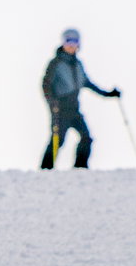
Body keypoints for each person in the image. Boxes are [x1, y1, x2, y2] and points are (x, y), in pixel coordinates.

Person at [40, 28, 119, 170]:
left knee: (86, 138)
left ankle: (80, 167)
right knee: (58, 140)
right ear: (63, 43)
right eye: (68, 41)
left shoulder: (78, 65)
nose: (71, 45)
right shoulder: (56, 63)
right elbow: (46, 85)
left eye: (74, 41)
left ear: (78, 44)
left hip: (74, 108)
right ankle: (46, 169)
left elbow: (88, 84)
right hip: (60, 108)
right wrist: (53, 103)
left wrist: (108, 94)